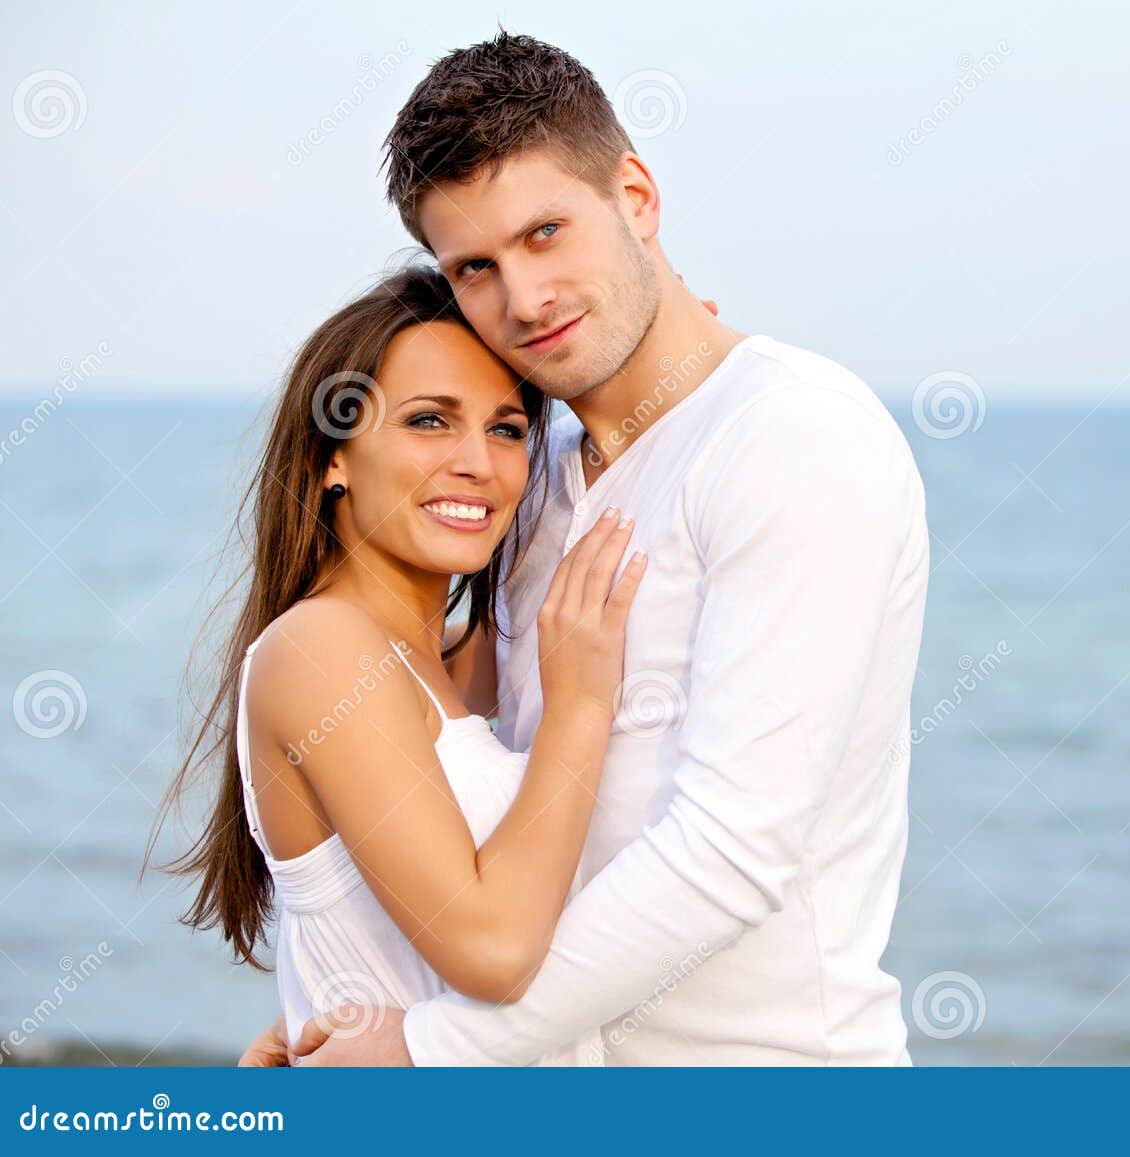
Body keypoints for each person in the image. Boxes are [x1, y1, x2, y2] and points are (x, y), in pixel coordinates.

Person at [248, 31, 930, 1066]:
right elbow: (438, 754)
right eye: (474, 266)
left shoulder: (793, 434)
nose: (523, 299)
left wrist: (424, 1045)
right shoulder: (530, 477)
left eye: (546, 234)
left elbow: (734, 850)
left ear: (637, 199)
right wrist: (340, 1000)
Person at [157, 265, 645, 1065]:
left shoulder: (445, 662)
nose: (478, 464)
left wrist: (655, 351)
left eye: (506, 428)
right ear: (331, 458)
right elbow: (491, 952)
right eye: (428, 421)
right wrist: (580, 712)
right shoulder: (322, 650)